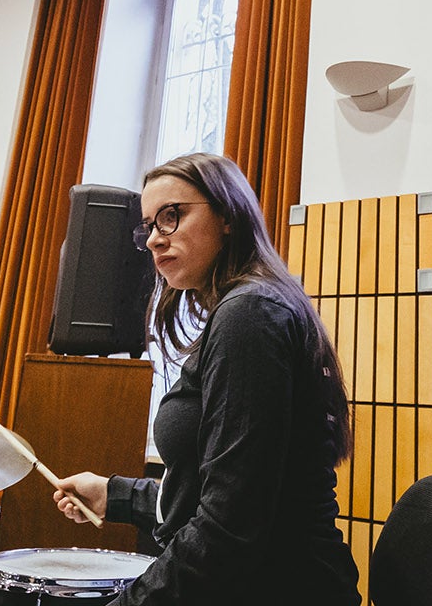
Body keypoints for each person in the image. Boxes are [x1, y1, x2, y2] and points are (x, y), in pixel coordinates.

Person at [52, 153, 360, 606]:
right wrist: (114, 495)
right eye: (149, 227)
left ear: (228, 215)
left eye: (171, 217)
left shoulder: (249, 315)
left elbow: (229, 527)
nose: (156, 240)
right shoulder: (246, 309)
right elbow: (219, 491)